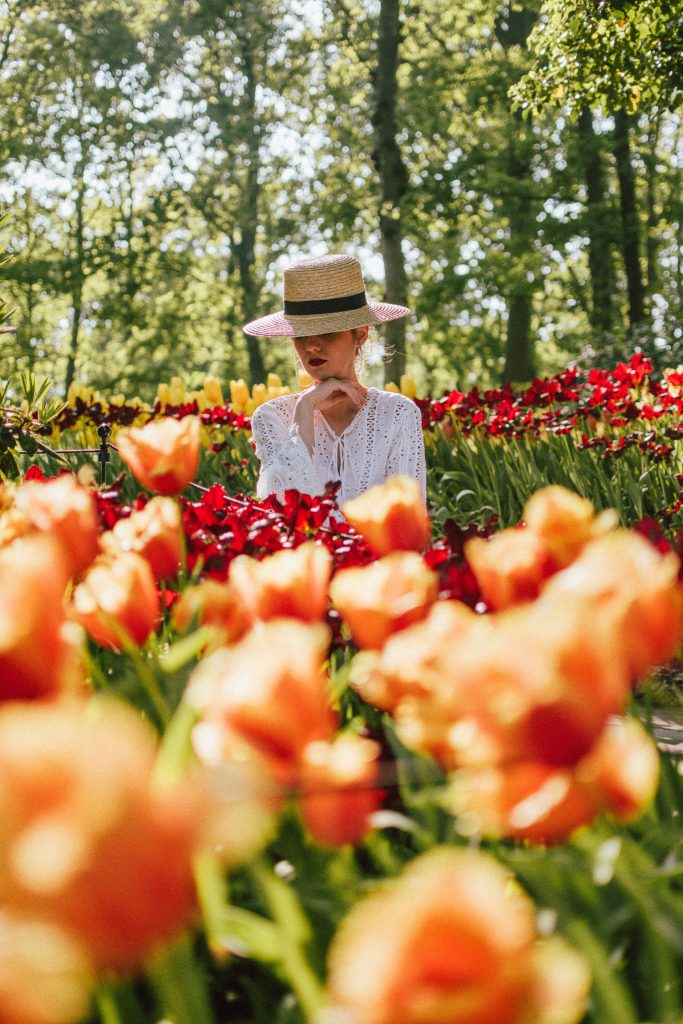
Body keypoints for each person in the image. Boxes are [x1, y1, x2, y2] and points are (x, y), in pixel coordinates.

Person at [244, 253, 426, 507]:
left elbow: (408, 518)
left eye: (327, 332)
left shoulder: (397, 413)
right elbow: (282, 512)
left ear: (361, 334)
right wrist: (304, 411)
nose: (311, 346)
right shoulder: (271, 417)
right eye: (301, 334)